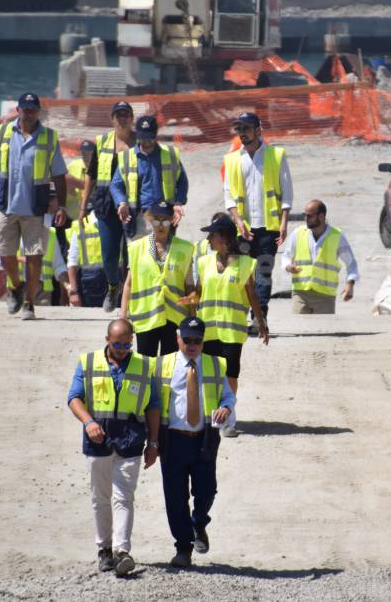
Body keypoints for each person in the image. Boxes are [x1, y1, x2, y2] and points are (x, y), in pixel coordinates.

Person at [67, 318, 160, 576]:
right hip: (99, 439)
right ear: (107, 339)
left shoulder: (144, 366)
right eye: (117, 343)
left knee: (124, 497)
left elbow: (153, 406)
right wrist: (88, 422)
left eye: (127, 344)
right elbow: (74, 398)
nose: (122, 349)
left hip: (130, 439)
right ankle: (104, 550)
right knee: (100, 498)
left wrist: (154, 443)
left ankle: (122, 551)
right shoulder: (87, 363)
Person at [0, 92, 68, 320]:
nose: (28, 113)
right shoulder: (3, 133)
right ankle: (16, 286)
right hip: (6, 205)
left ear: (39, 112)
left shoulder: (48, 138)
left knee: (34, 255)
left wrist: (62, 207)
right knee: (5, 252)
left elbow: (59, 175)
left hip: (35, 208)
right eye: (24, 109)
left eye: (32, 109)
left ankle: (29, 302)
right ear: (17, 110)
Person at [154, 316, 235, 568]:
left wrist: (225, 407)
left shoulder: (214, 365)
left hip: (204, 440)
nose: (191, 345)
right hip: (173, 440)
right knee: (175, 497)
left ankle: (199, 522)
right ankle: (183, 548)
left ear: (203, 341)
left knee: (207, 489)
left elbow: (228, 396)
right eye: (187, 340)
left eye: (197, 341)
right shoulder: (161, 365)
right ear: (178, 339)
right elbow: (151, 403)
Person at [180, 214, 268, 438]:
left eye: (213, 235)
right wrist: (190, 302)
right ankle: (209, 417)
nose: (208, 239)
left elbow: (252, 295)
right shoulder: (204, 262)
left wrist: (261, 322)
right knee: (208, 374)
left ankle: (228, 418)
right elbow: (198, 292)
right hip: (208, 330)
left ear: (226, 239)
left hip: (232, 330)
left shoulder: (246, 264)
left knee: (229, 375)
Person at [222, 112, 293, 331]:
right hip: (242, 230)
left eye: (246, 128)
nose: (242, 133)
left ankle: (259, 317)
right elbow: (229, 196)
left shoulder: (276, 155)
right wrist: (238, 220)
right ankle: (240, 316)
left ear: (258, 130)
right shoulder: (232, 160)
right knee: (242, 274)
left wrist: (283, 223)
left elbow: (287, 192)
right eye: (239, 129)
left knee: (263, 273)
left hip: (268, 229)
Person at [80, 102, 137, 313]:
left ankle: (130, 299)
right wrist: (84, 205)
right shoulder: (102, 142)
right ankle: (114, 286)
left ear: (132, 118)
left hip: (132, 206)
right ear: (112, 119)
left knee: (131, 256)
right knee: (109, 255)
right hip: (105, 206)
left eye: (126, 114)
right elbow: (92, 174)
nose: (122, 118)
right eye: (118, 115)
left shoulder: (141, 142)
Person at [119, 201, 194, 356]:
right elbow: (128, 284)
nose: (160, 225)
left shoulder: (185, 248)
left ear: (172, 220)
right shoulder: (136, 248)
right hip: (146, 318)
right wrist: (123, 316)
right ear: (149, 220)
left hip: (174, 318)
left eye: (165, 220)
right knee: (146, 367)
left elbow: (189, 286)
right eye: (156, 220)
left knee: (169, 368)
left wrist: (193, 318)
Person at [110, 114, 188, 245]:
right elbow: (115, 185)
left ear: (155, 135)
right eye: (143, 139)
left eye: (149, 138)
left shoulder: (170, 154)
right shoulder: (126, 157)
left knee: (163, 255)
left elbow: (182, 180)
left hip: (164, 215)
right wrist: (121, 202)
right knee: (141, 258)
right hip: (139, 217)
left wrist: (178, 202)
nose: (146, 142)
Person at [282, 199, 359, 314]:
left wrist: (350, 284)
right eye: (304, 215)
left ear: (321, 216)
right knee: (299, 330)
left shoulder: (336, 236)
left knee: (325, 330)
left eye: (309, 216)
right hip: (301, 294)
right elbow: (286, 256)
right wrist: (288, 266)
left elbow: (351, 263)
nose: (306, 219)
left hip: (325, 297)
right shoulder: (298, 233)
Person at [67, 210, 107, 308]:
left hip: (114, 281)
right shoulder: (80, 224)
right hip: (90, 282)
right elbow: (72, 260)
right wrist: (74, 292)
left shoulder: (116, 222)